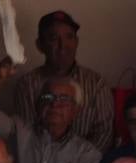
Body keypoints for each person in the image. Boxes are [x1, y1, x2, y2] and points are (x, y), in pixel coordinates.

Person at [12, 10, 113, 152]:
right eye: (54, 38)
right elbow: (27, 135)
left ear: (77, 42)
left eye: (69, 37)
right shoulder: (27, 84)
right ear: (40, 45)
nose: (63, 45)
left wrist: (78, 162)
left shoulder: (96, 84)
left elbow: (104, 134)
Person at [7, 76, 101, 163]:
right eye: (47, 97)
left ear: (76, 110)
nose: (54, 104)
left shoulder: (87, 154)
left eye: (64, 99)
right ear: (37, 105)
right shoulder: (18, 131)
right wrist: (0, 76)